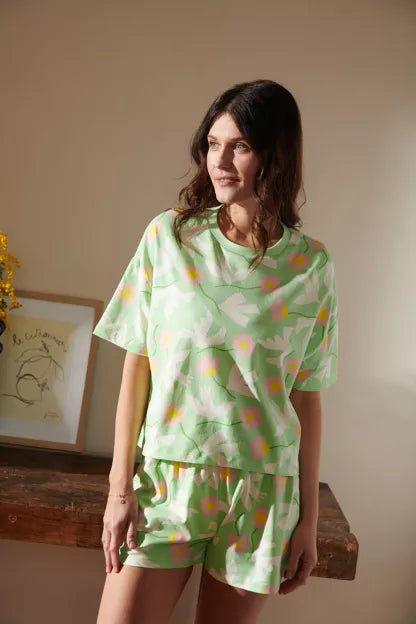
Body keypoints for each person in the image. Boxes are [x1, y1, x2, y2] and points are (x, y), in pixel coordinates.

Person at [93, 78, 339, 624]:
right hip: (167, 480)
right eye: (212, 144)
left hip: (262, 492)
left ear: (275, 155)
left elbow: (306, 398)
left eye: (239, 146)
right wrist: (119, 490)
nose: (220, 162)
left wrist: (308, 521)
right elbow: (138, 364)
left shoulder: (312, 266)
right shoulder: (169, 238)